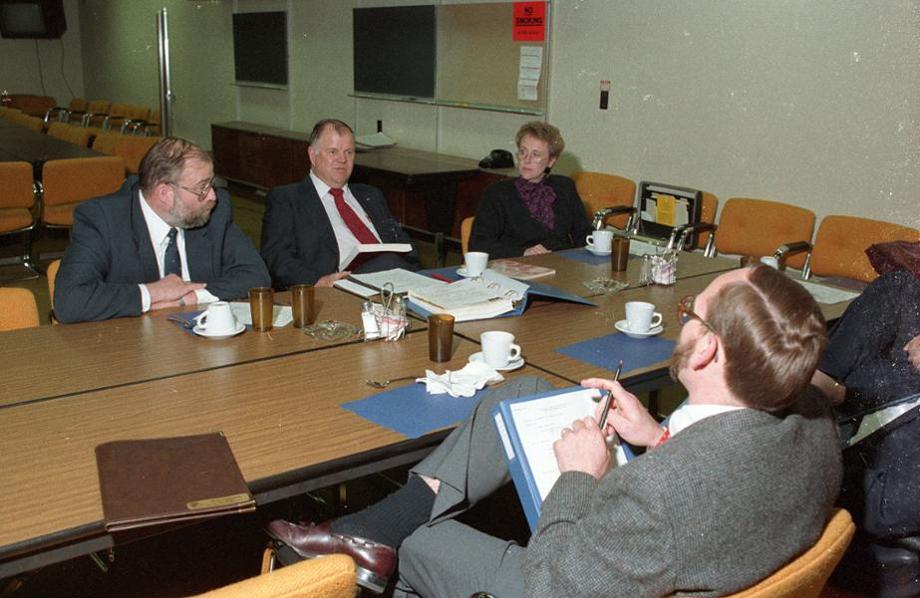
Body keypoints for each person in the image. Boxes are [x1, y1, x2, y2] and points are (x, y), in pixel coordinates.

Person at [266, 265, 841, 597]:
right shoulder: (814, 417)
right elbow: (712, 472)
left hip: (569, 580)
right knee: (524, 394)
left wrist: (579, 477)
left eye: (692, 312)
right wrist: (654, 436)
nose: (684, 321)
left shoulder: (663, 495)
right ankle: (371, 528)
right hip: (691, 539)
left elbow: (553, 585)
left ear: (707, 347)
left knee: (415, 537)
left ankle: (372, 536)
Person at [54, 137, 270, 324]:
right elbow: (69, 301)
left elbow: (256, 276)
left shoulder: (214, 210)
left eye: (211, 184)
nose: (212, 195)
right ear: (165, 193)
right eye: (202, 188)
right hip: (129, 350)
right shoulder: (103, 219)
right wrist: (154, 293)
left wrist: (190, 297)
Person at [810, 271, 920, 595]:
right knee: (898, 285)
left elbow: (888, 510)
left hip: (864, 466)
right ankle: (818, 381)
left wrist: (803, 465)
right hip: (877, 403)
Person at [260, 118, 418, 289]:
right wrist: (318, 282)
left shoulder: (371, 195)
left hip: (396, 280)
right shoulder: (287, 199)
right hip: (339, 288)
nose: (342, 160)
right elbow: (277, 257)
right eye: (333, 152)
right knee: (389, 262)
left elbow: (405, 245)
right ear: (313, 155)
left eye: (349, 152)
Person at [468, 121, 593, 259]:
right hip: (516, 268)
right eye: (523, 152)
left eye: (535, 154)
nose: (527, 160)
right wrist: (523, 252)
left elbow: (583, 234)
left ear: (551, 161)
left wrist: (600, 243)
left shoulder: (564, 187)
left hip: (561, 266)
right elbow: (478, 245)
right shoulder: (497, 194)